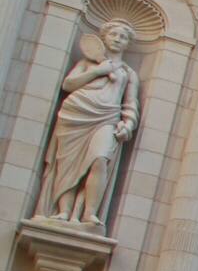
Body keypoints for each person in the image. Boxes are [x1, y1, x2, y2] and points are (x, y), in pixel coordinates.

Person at [41, 20, 140, 225]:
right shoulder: (87, 64)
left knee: (99, 159)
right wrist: (98, 71)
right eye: (114, 34)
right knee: (68, 164)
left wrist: (128, 124)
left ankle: (89, 213)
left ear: (127, 44)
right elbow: (69, 84)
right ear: (104, 37)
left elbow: (130, 103)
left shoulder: (128, 73)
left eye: (122, 37)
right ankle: (64, 211)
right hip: (75, 114)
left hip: (107, 118)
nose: (117, 39)